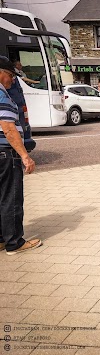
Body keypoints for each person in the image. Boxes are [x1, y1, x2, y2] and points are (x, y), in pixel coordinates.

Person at [0, 57, 41, 255]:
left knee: (1, 198)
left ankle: (2, 238)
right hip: (5, 155)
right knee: (11, 198)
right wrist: (25, 155)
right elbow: (8, 129)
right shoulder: (2, 95)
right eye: (10, 75)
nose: (12, 80)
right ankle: (14, 242)